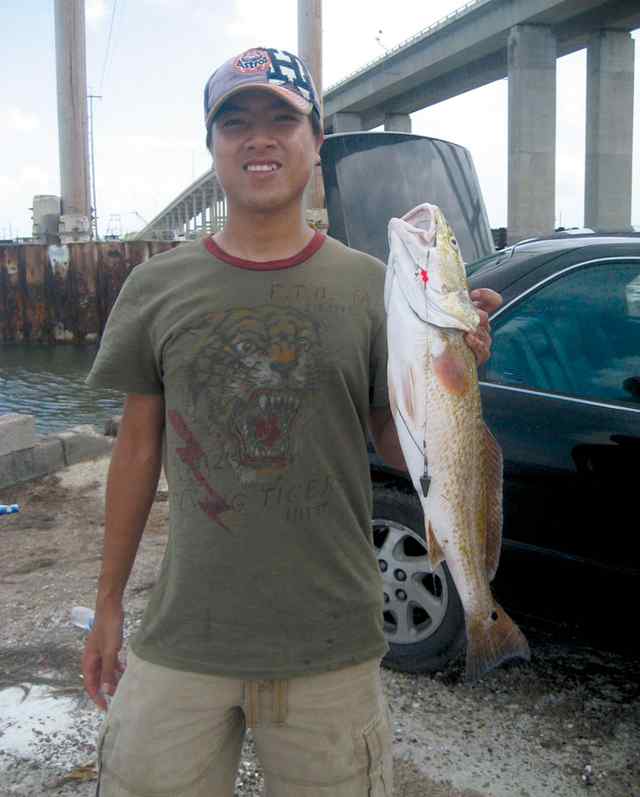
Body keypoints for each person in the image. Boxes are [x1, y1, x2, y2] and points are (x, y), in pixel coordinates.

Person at [83, 46, 502, 797]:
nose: (259, 138)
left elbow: (394, 442)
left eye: (282, 120)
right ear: (213, 146)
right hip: (184, 634)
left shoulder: (375, 286)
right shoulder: (155, 286)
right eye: (235, 122)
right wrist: (109, 600)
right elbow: (138, 450)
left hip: (332, 644)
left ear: (316, 142)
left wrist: (453, 377)